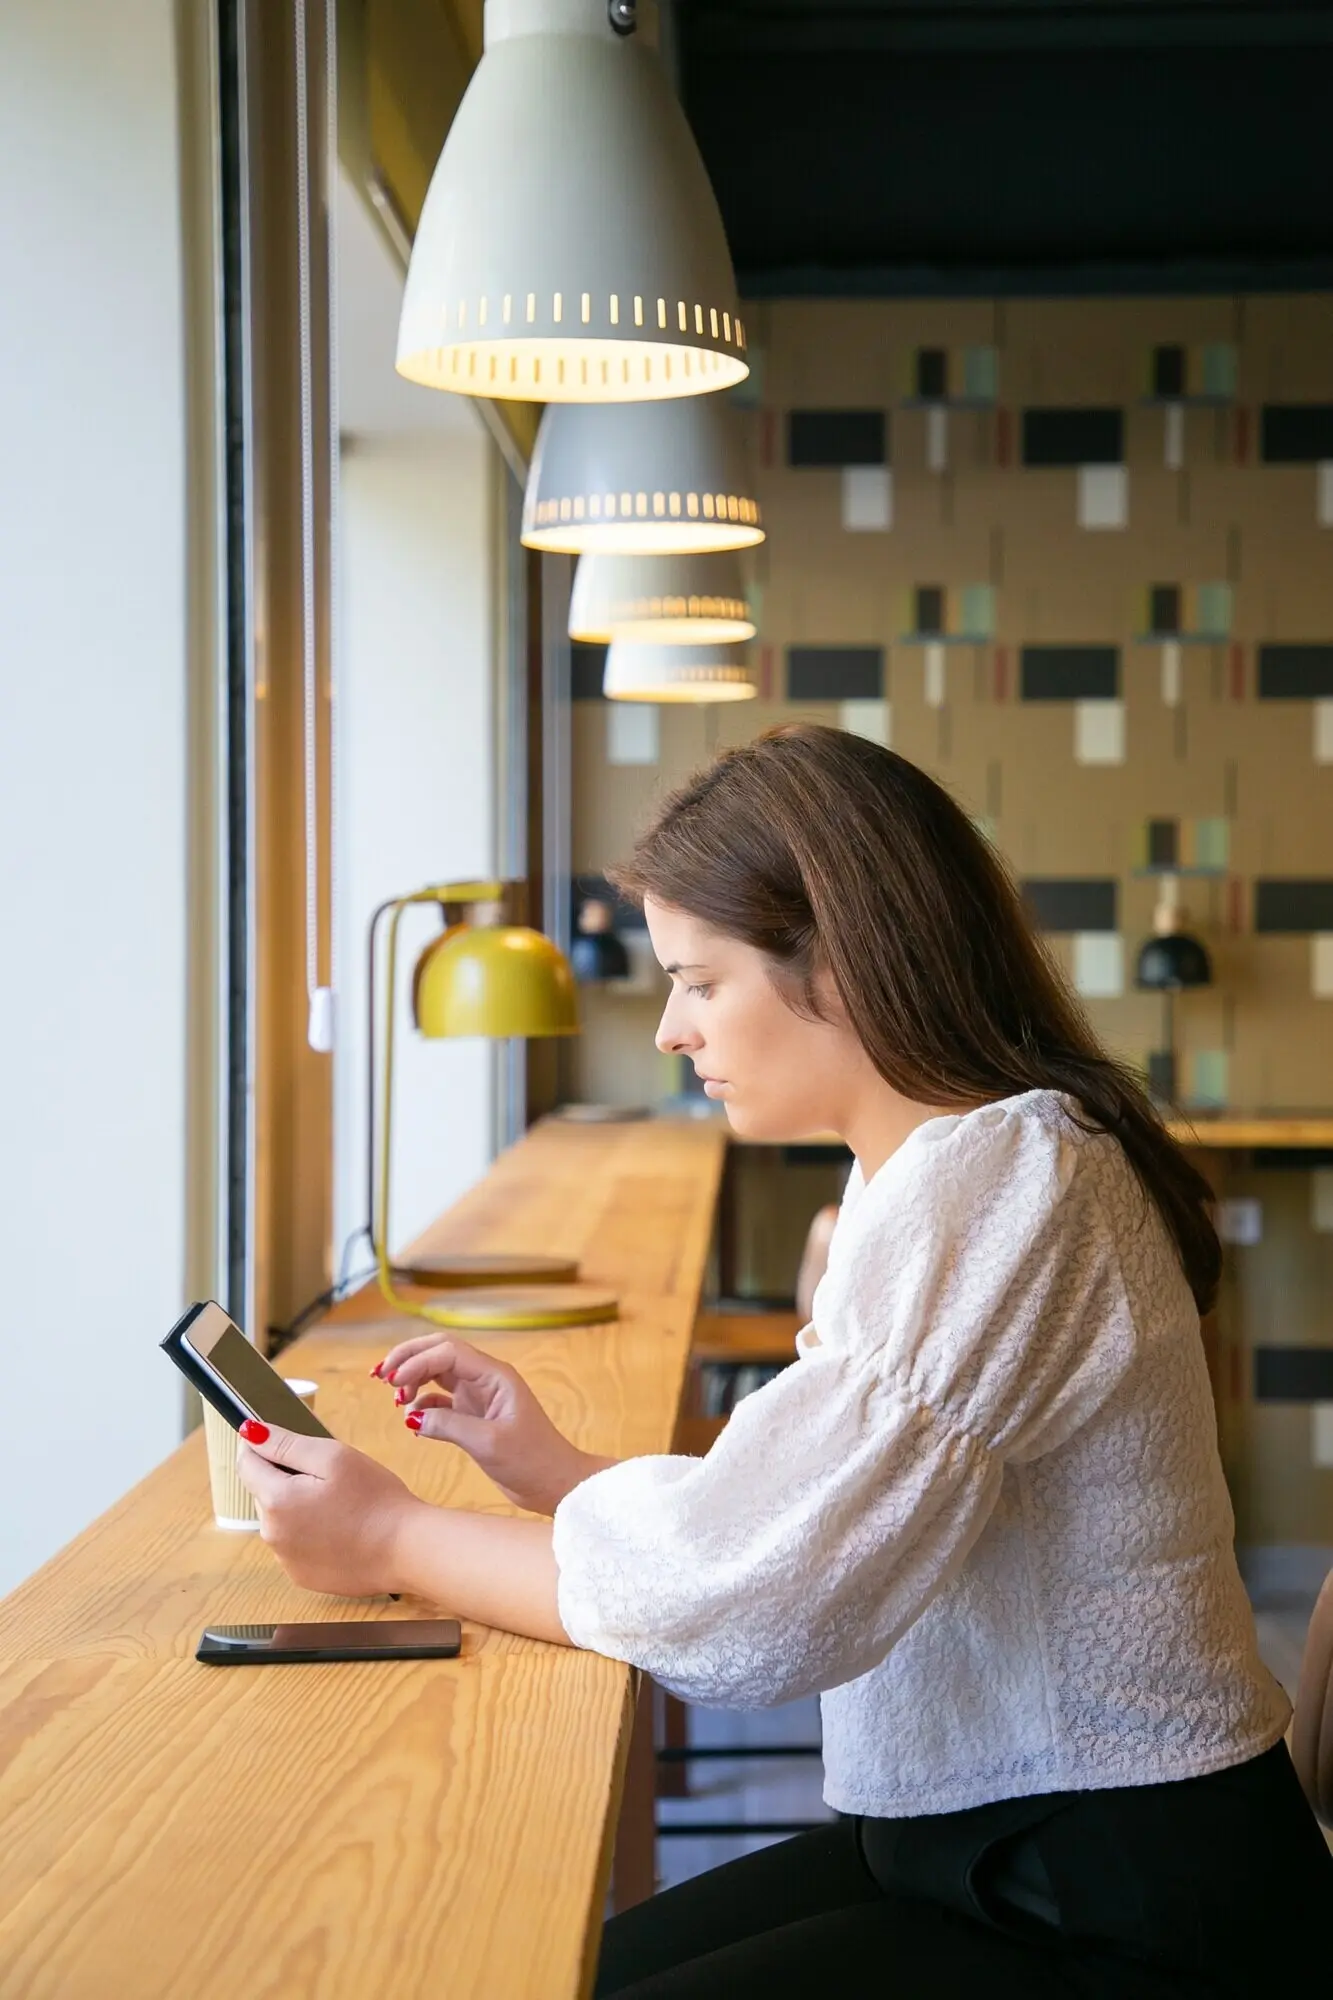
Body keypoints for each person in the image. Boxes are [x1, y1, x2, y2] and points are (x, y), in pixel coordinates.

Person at [237, 725, 1332, 1996]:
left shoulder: (1011, 1183)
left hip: (1127, 1892)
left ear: (845, 963)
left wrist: (393, 1541)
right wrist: (563, 1469)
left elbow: (762, 1605)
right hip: (986, 1836)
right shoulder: (921, 1170)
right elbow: (798, 1514)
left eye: (699, 981)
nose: (667, 1029)